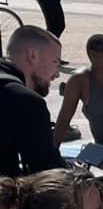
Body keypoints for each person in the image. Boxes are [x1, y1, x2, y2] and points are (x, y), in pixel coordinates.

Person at [0, 26, 64, 184]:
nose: (56, 74)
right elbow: (47, 172)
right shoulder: (25, 101)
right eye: (55, 62)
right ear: (32, 55)